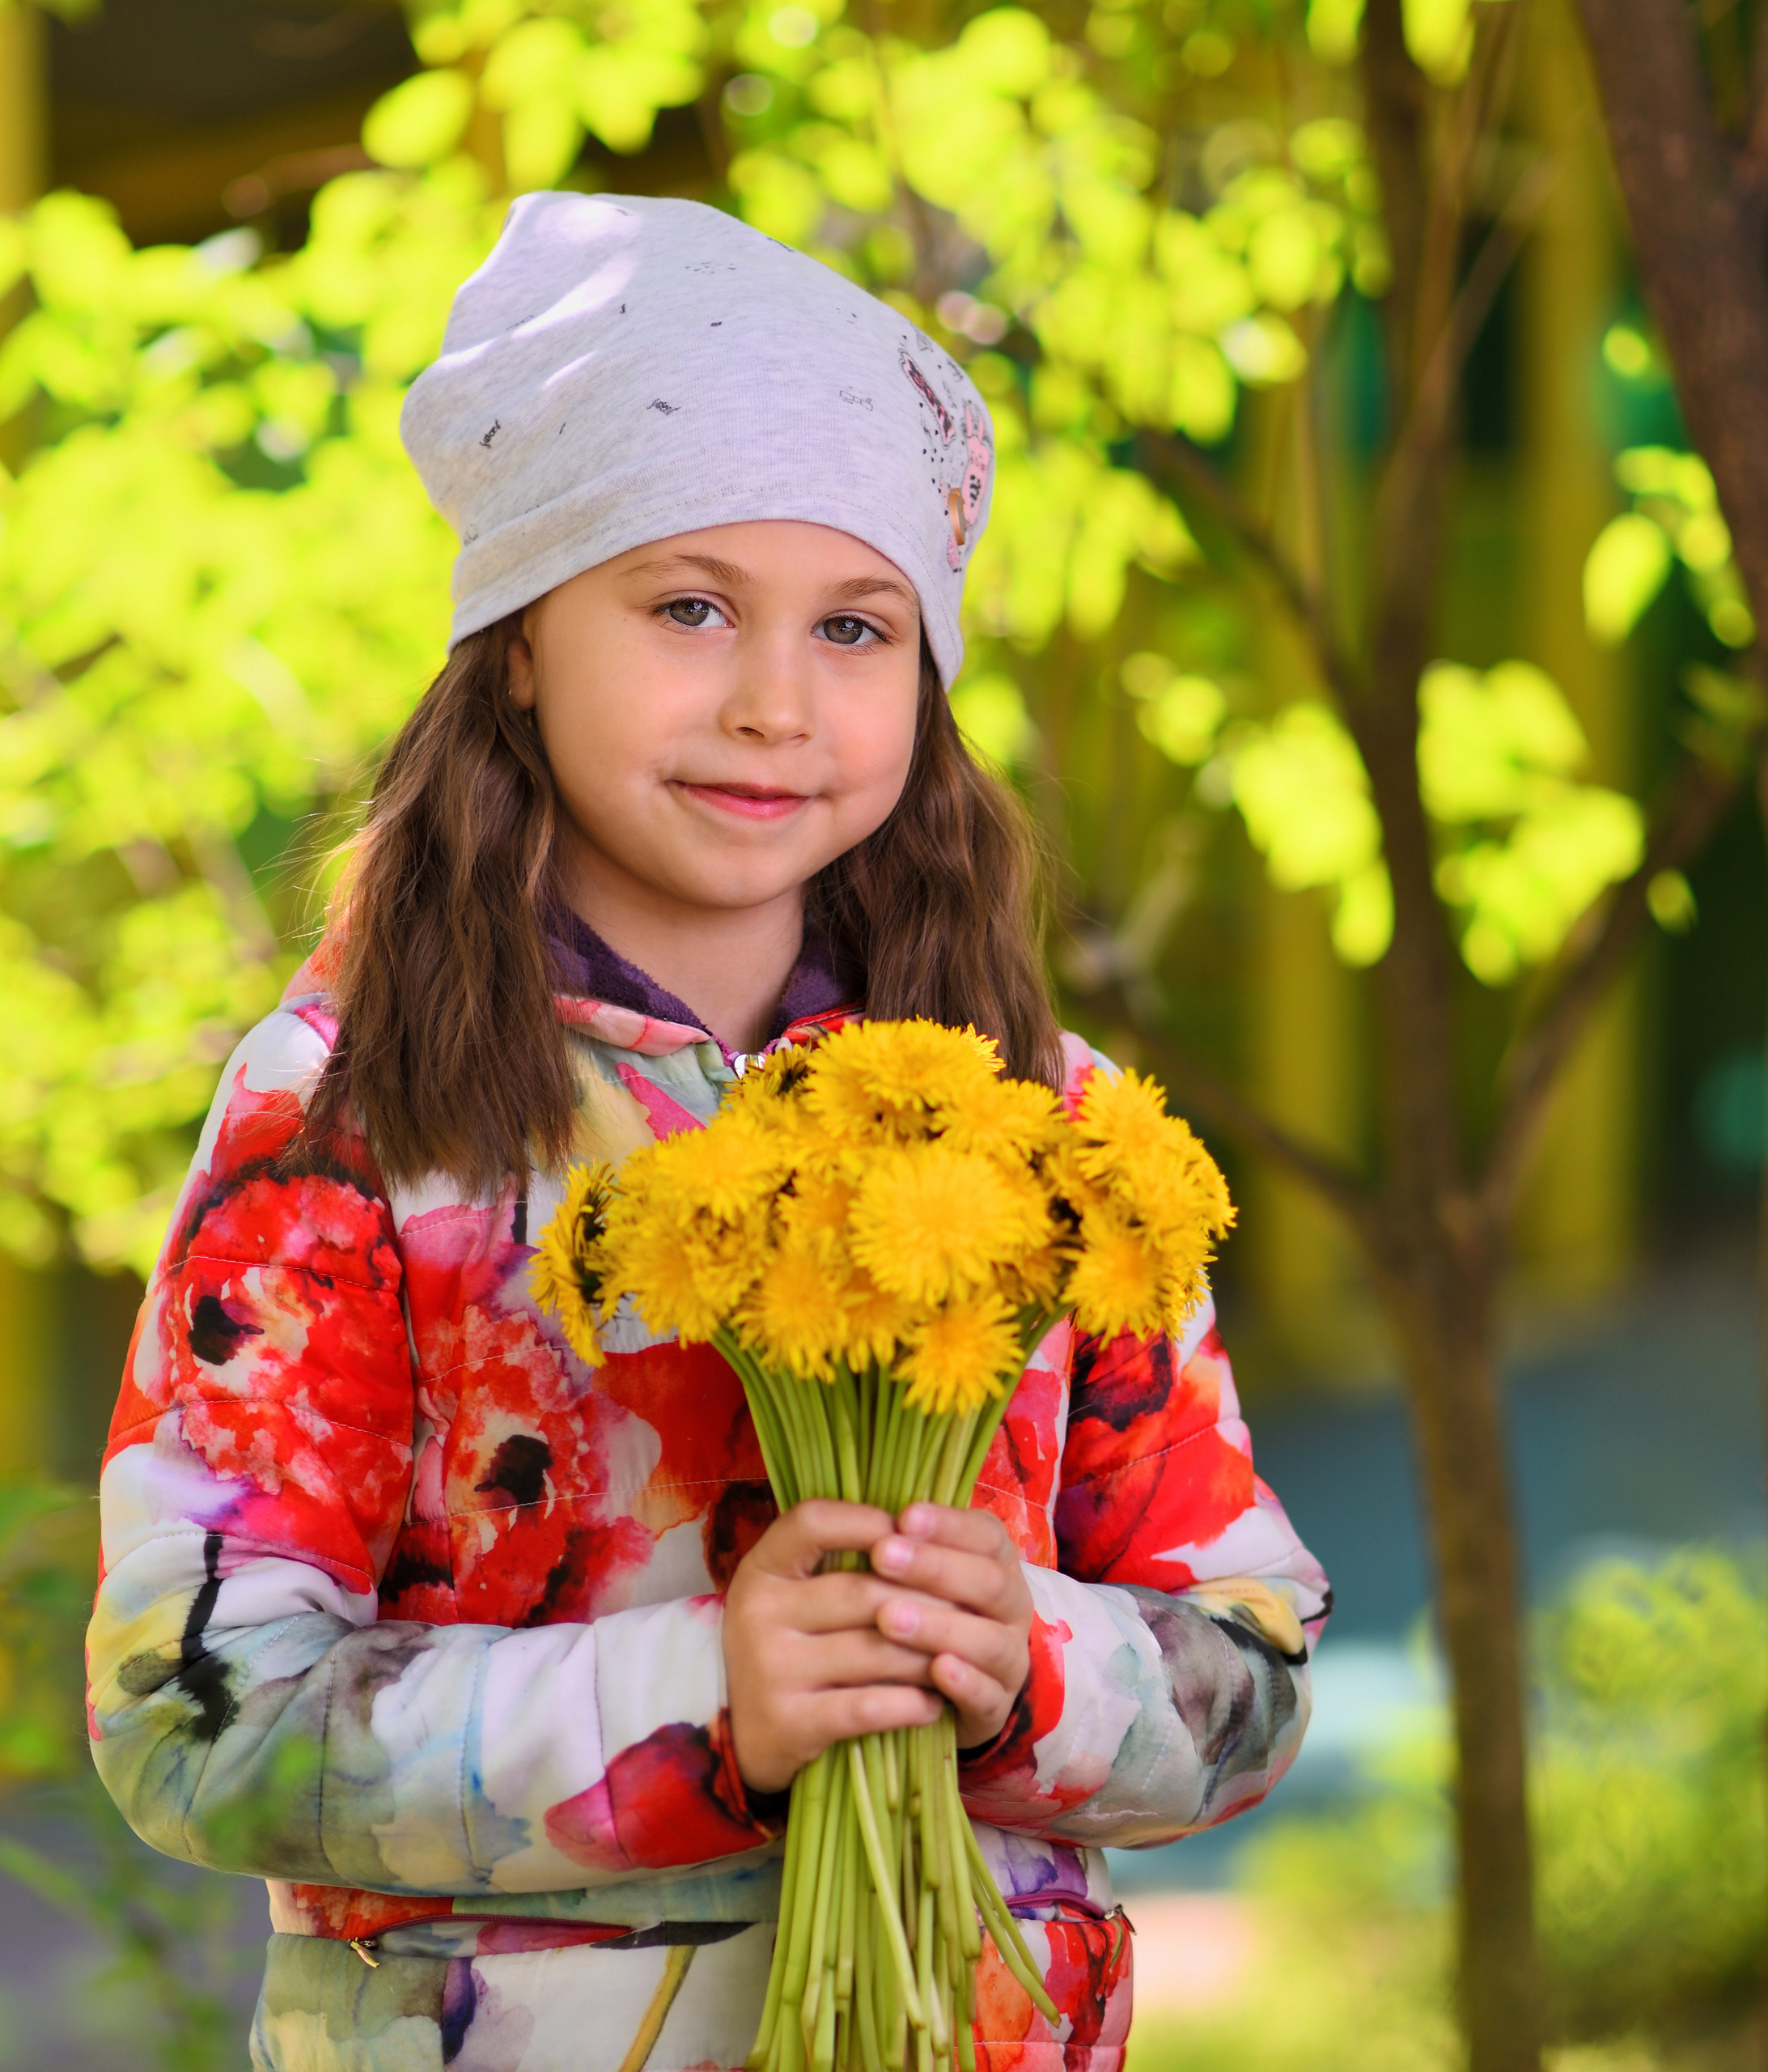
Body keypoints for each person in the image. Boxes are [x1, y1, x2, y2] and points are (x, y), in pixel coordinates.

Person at [85, 192, 1330, 2072]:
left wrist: (1031, 1669)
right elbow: (194, 1716)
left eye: (854, 626)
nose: (773, 702)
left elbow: (1250, 1649)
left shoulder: (1030, 1115)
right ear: (514, 640)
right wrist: (701, 1697)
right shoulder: (344, 1116)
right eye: (685, 606)